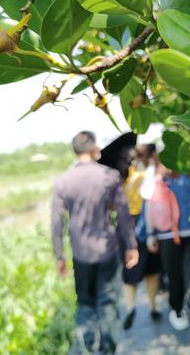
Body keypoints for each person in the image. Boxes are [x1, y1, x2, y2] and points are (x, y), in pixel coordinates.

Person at [51, 131, 139, 355]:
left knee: (86, 303)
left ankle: (86, 348)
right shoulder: (109, 176)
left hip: (80, 253)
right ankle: (108, 350)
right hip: (107, 250)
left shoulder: (63, 182)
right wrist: (131, 245)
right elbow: (124, 213)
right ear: (94, 149)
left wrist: (59, 256)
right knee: (108, 303)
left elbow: (57, 222)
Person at [148, 171, 190, 352]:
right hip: (170, 233)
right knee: (176, 277)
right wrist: (150, 233)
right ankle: (178, 308)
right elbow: (150, 204)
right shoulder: (159, 178)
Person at [121, 143, 163, 329]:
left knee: (130, 272)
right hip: (149, 223)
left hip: (128, 226)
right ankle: (153, 307)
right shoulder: (150, 174)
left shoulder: (124, 176)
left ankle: (130, 308)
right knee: (152, 271)